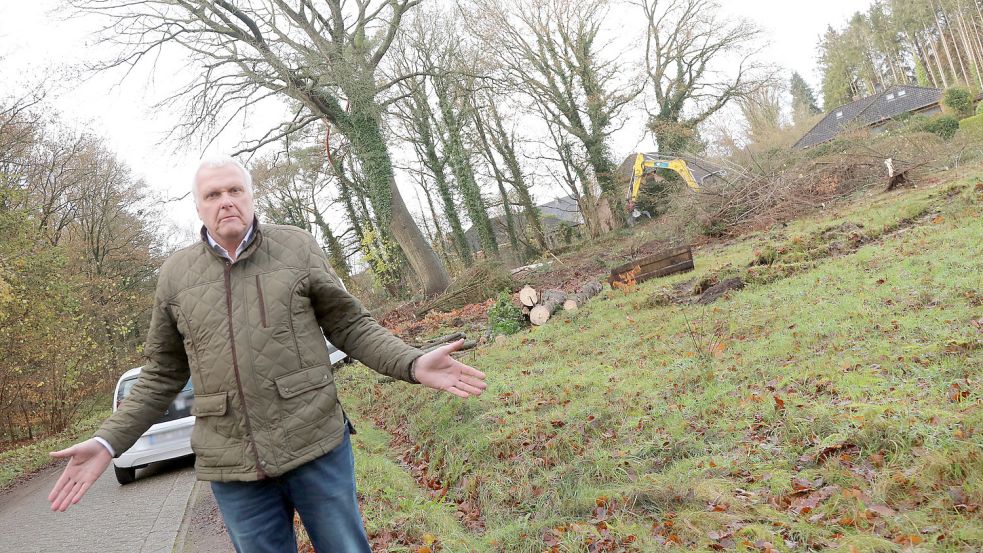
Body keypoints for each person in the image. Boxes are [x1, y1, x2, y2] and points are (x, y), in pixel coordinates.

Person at [47, 156, 487, 553]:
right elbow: (161, 372)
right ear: (198, 208)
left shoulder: (297, 247)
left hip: (313, 441)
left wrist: (410, 362)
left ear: (252, 196)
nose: (226, 202)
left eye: (235, 190)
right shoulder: (176, 275)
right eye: (213, 195)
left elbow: (350, 325)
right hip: (230, 464)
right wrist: (109, 442)